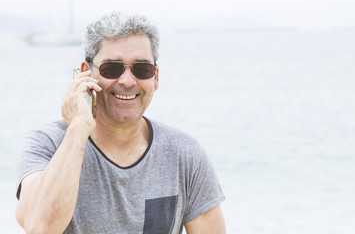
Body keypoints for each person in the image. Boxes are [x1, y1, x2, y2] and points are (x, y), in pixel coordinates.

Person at [15, 12, 226, 234]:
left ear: (155, 78)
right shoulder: (46, 144)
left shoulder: (185, 155)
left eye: (142, 69)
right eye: (112, 68)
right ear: (86, 74)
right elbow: (40, 227)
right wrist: (78, 128)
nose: (127, 80)